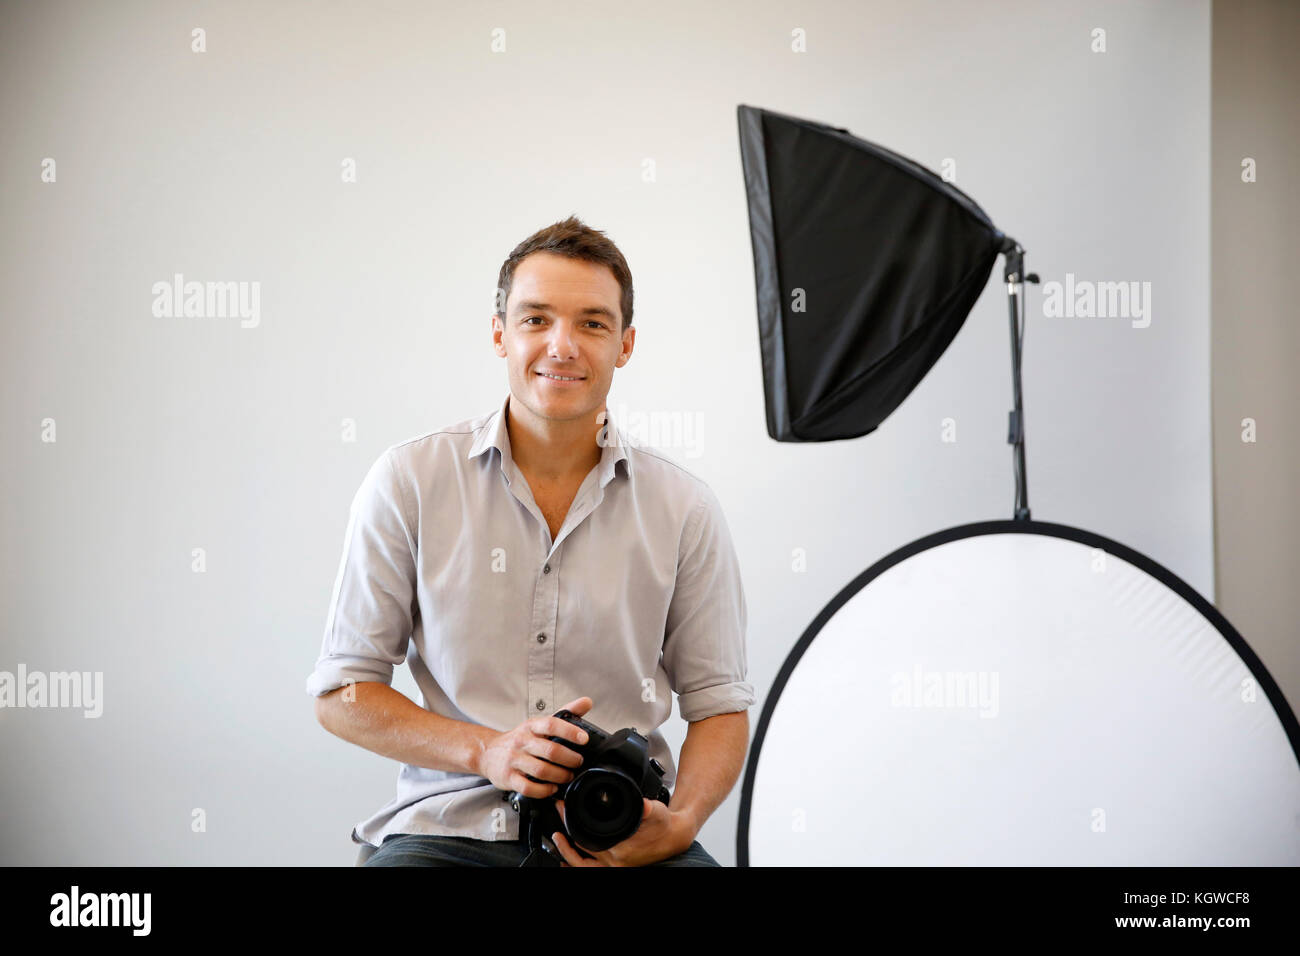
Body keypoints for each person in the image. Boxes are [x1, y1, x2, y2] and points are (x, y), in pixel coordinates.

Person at [307, 215, 755, 867]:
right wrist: (485, 749)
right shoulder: (409, 480)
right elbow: (341, 694)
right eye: (536, 319)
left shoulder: (685, 507)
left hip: (622, 835)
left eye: (593, 323)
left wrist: (680, 824)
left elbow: (720, 708)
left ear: (625, 344)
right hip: (446, 832)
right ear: (500, 335)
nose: (563, 346)